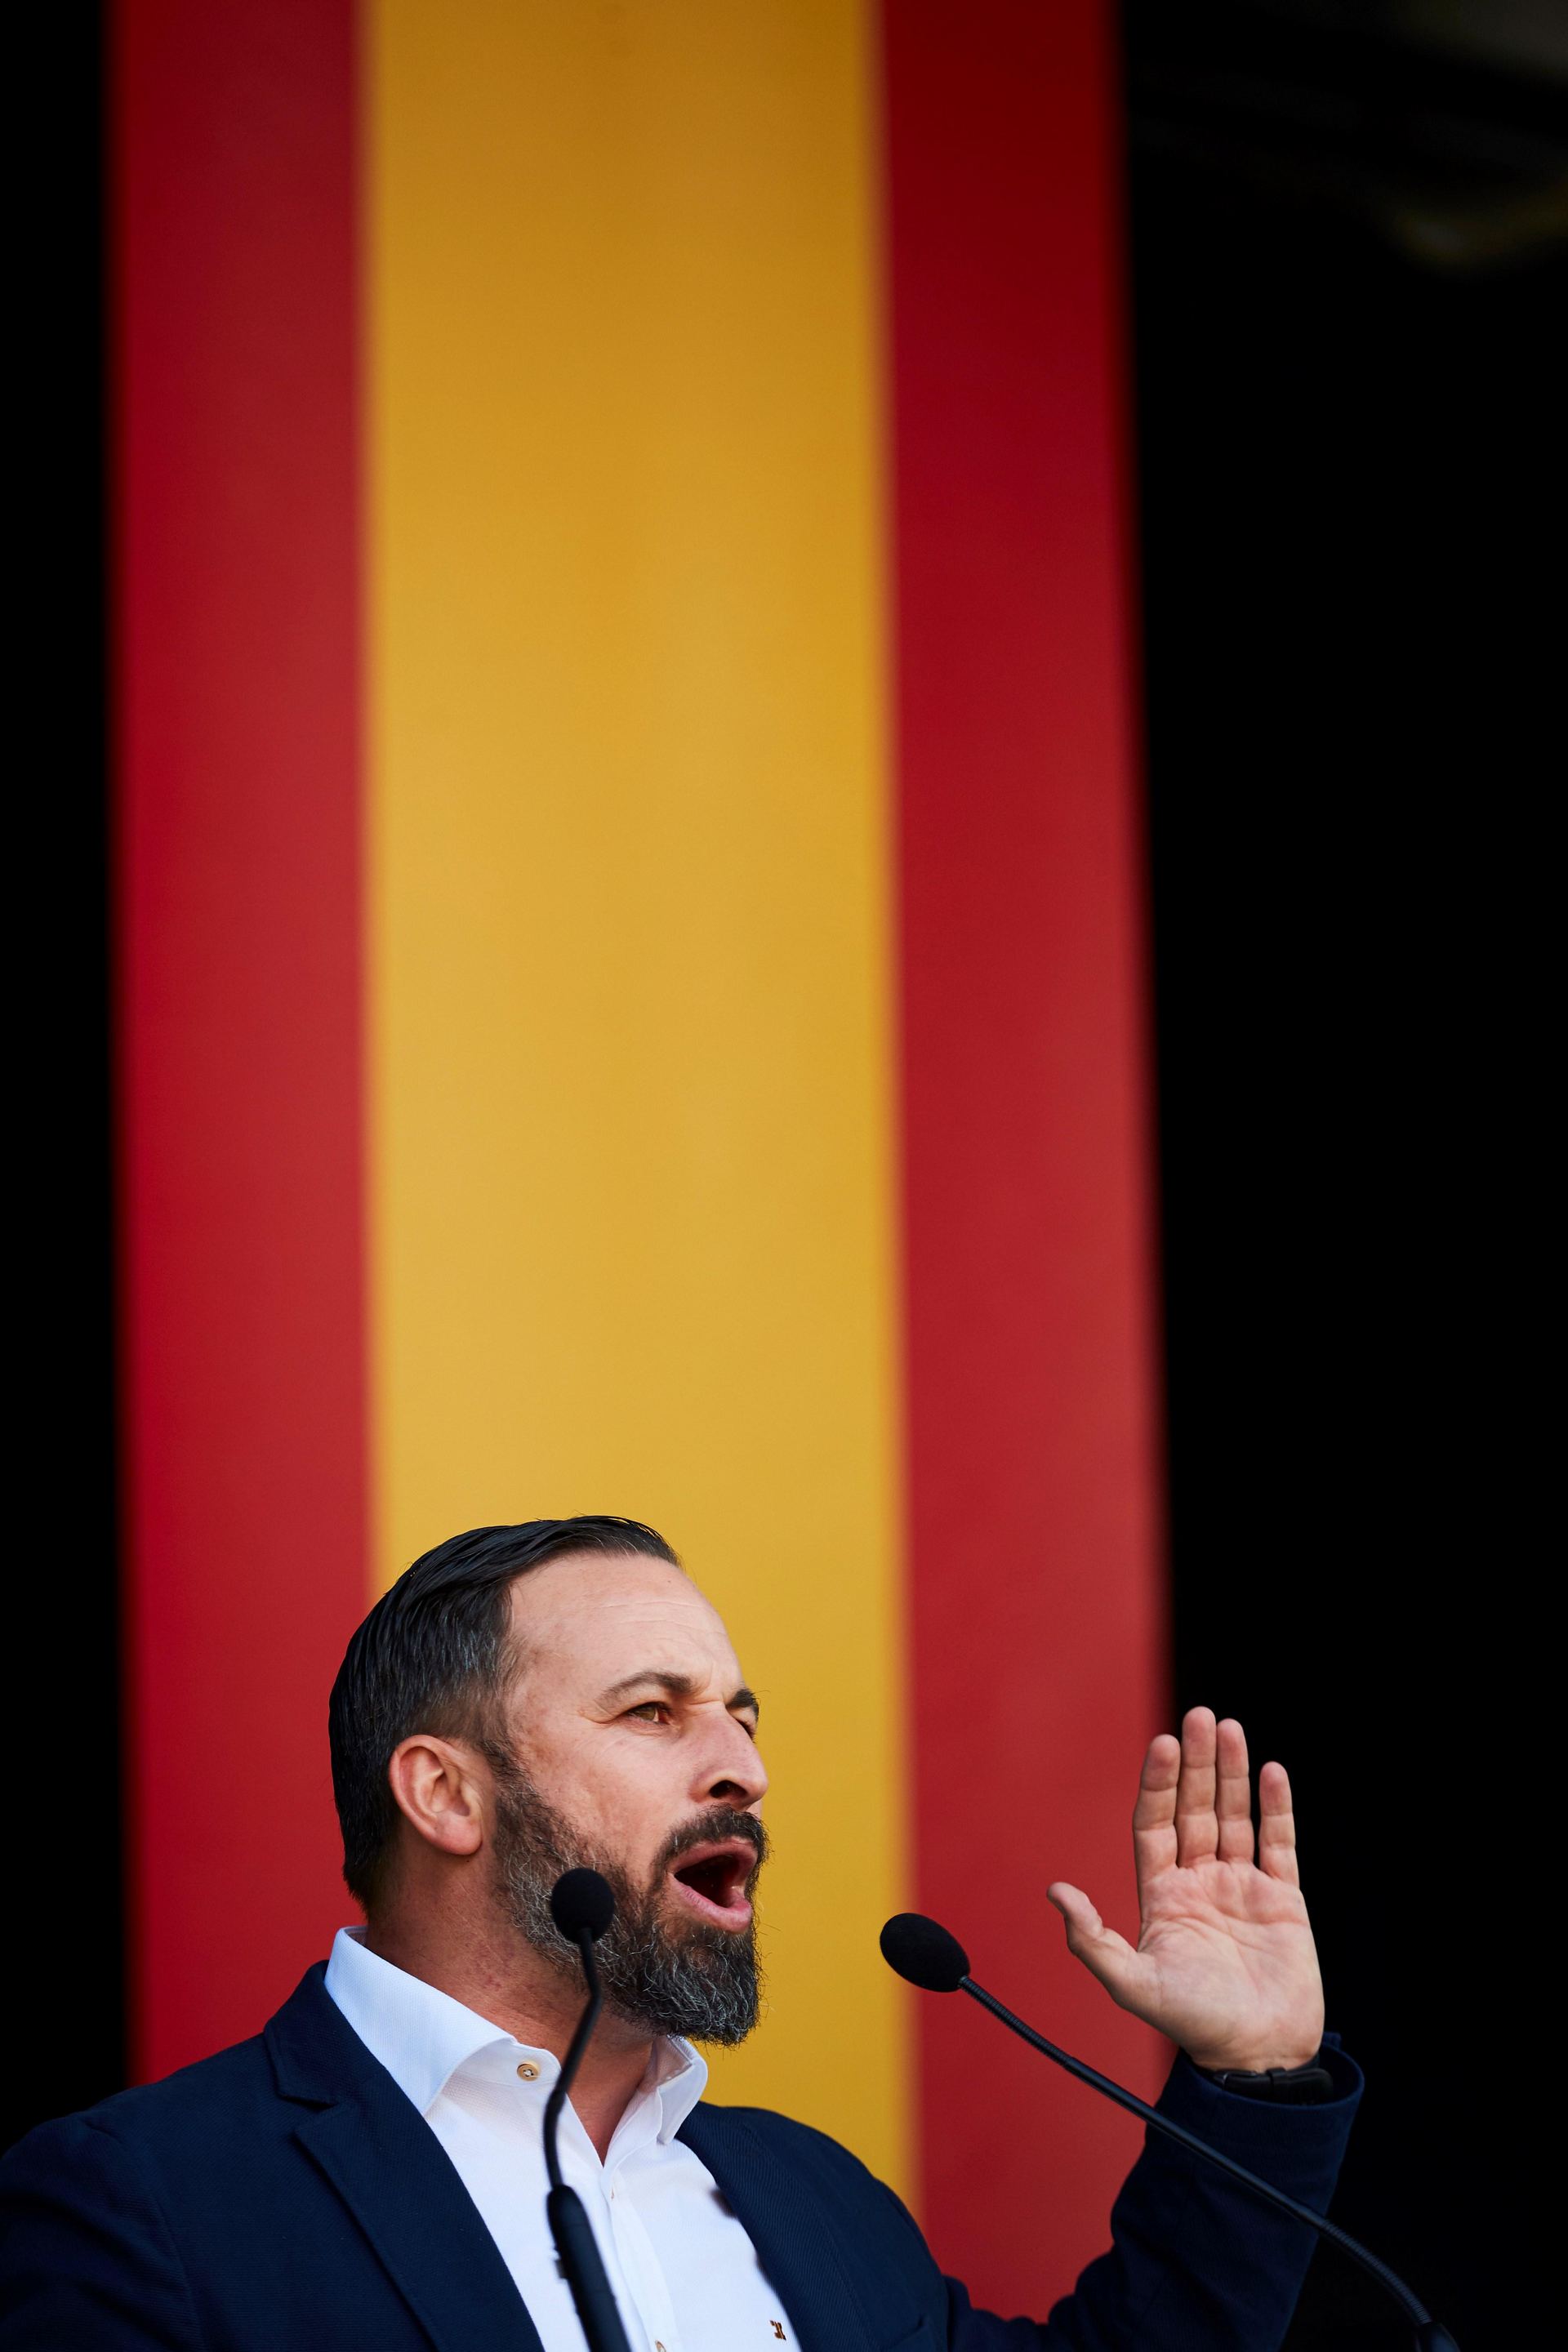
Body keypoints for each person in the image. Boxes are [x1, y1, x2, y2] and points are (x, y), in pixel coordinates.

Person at [0, 1516, 1360, 2349]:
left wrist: (1251, 2080)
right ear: (446, 1793)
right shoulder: (149, 2203)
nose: (743, 1770)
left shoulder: (808, 2196)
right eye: (655, 1713)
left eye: (743, 1715)